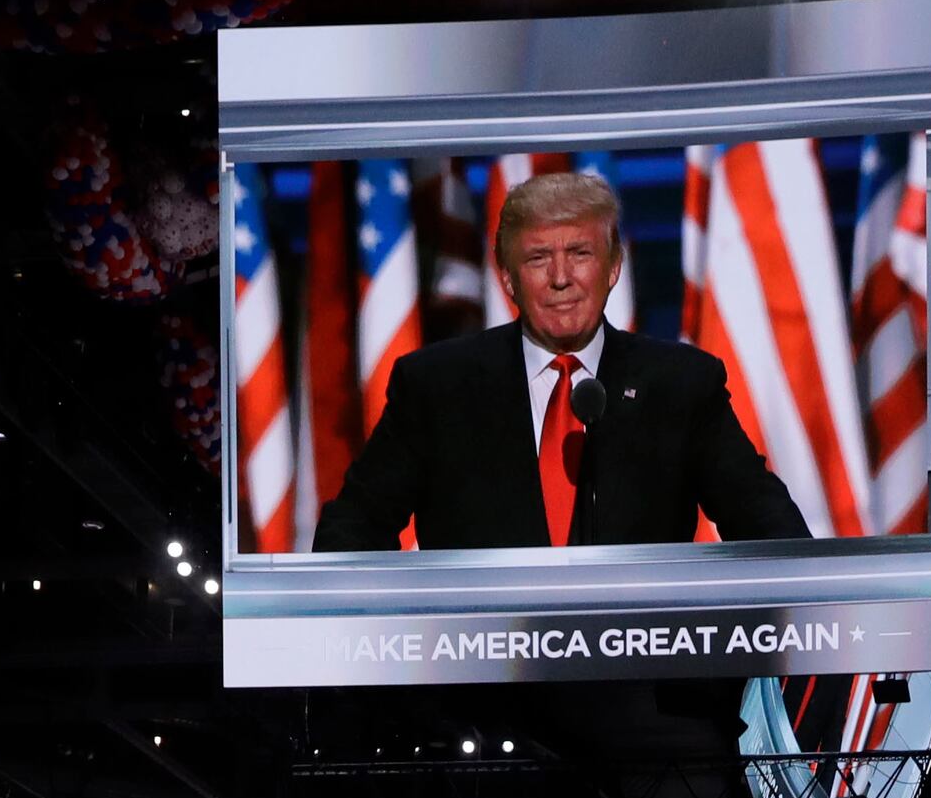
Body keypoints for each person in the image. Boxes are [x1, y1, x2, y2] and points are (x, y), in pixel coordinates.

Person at [313, 171, 810, 554]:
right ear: (507, 279)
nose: (560, 278)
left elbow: (772, 530)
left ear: (613, 267)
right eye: (537, 259)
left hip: (640, 680)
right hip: (484, 678)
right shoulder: (436, 386)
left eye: (579, 253)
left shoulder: (680, 385)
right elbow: (351, 532)